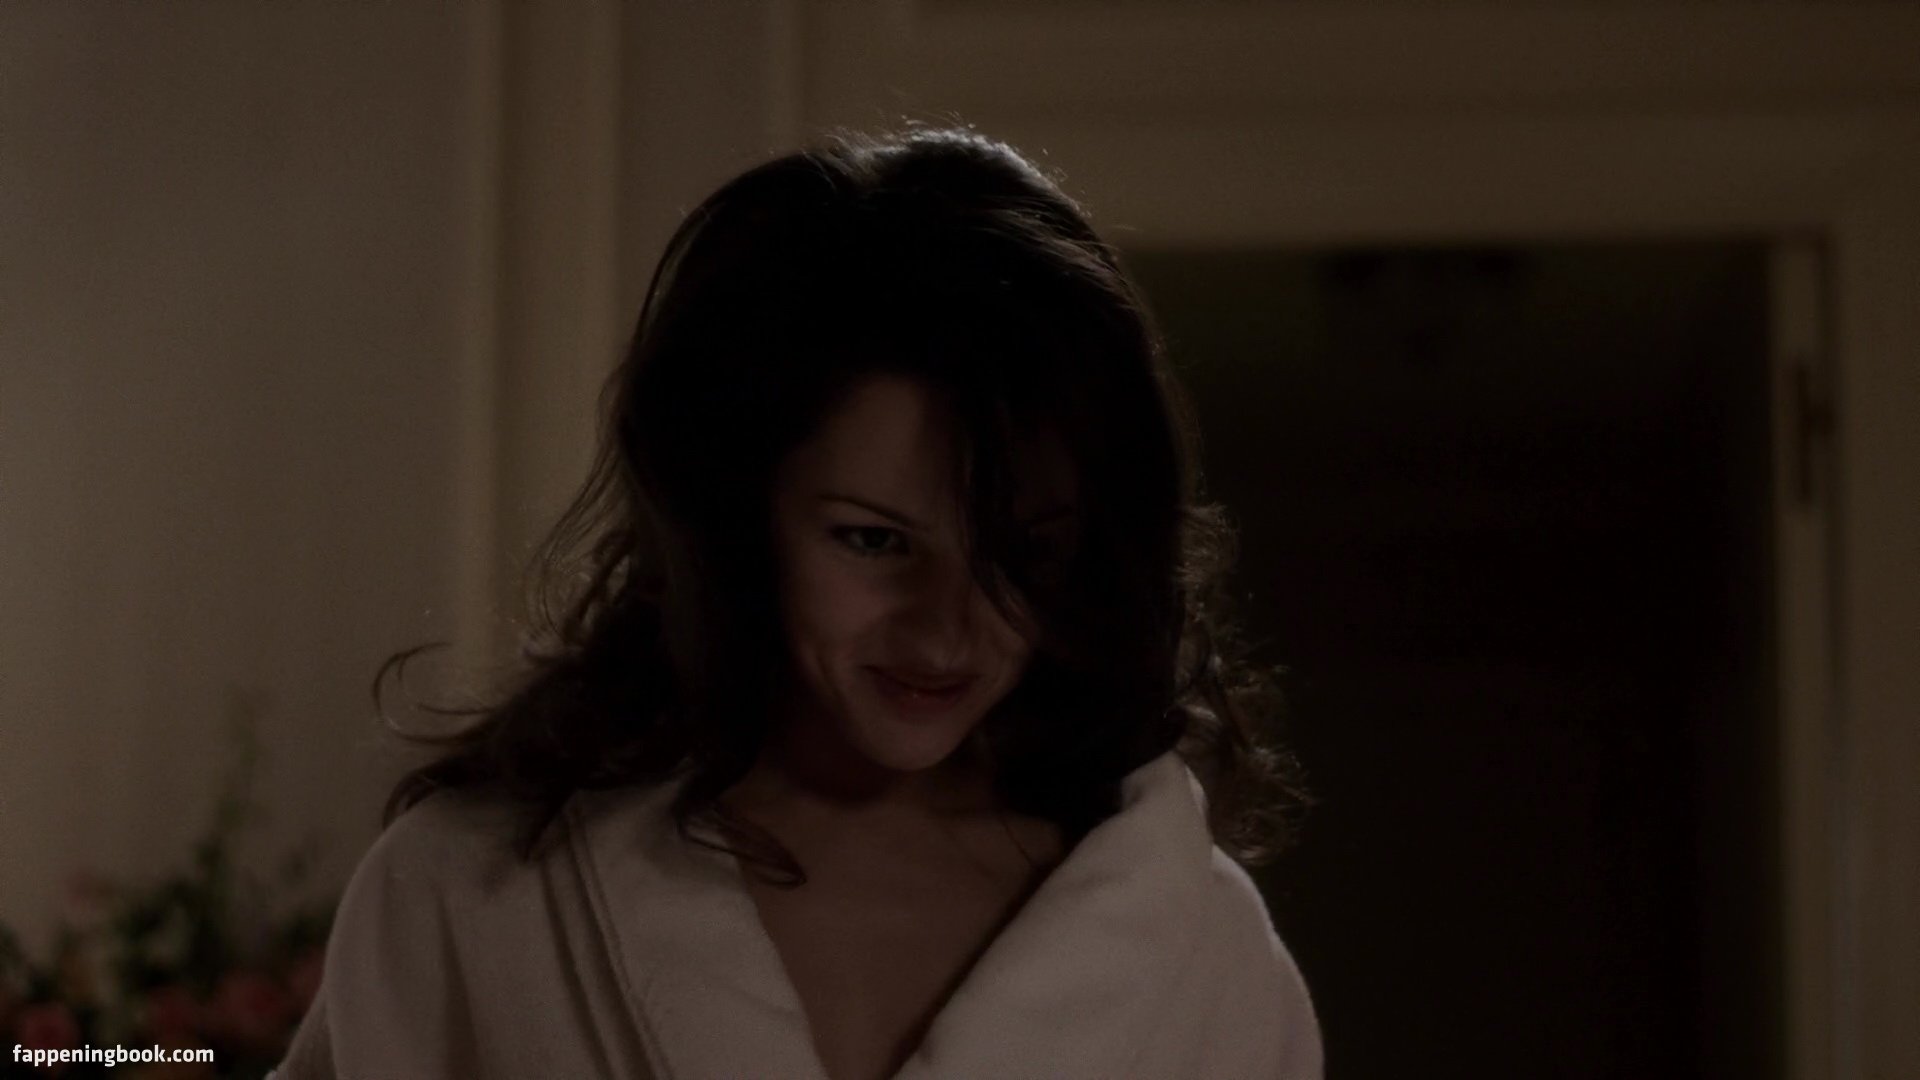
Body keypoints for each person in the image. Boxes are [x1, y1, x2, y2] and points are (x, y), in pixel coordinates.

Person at [275, 124, 1321, 1080]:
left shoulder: (1198, 952)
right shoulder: (473, 892)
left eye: (1024, 552)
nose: (946, 629)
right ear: (731, 514)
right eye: (874, 540)